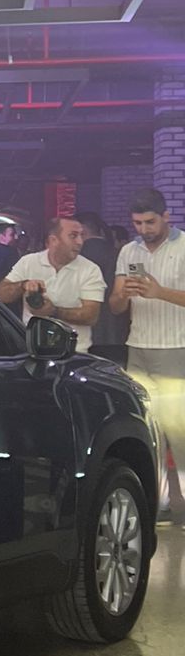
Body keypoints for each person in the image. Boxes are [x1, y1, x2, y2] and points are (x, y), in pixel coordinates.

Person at [110, 189, 185, 518]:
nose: (144, 229)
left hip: (176, 348)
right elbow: (115, 306)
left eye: (150, 222)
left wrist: (160, 292)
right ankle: (159, 504)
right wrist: (123, 295)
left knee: (179, 432)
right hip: (137, 348)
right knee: (148, 429)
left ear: (166, 216)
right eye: (138, 223)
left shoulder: (183, 247)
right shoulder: (129, 250)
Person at [0, 216, 105, 351]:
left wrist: (53, 311)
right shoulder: (28, 262)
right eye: (73, 236)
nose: (80, 242)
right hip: (33, 349)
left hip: (74, 351)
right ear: (54, 240)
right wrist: (23, 285)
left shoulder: (90, 269)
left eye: (82, 235)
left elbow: (91, 316)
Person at [76, 210, 126, 365]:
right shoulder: (120, 254)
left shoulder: (77, 257)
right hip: (119, 332)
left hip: (86, 332)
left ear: (82, 231)